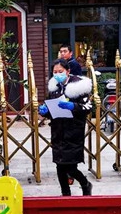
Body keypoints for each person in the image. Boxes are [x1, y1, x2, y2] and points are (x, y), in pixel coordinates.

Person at [38, 59, 93, 196]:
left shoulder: (78, 87)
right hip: (58, 131)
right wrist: (45, 111)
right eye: (55, 72)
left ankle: (85, 184)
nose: (57, 74)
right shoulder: (55, 88)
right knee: (59, 165)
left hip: (73, 131)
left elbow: (88, 107)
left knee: (71, 166)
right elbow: (52, 108)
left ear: (68, 71)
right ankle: (65, 194)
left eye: (60, 71)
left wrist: (73, 106)